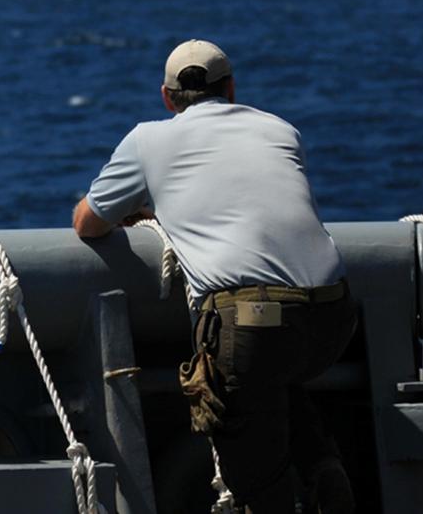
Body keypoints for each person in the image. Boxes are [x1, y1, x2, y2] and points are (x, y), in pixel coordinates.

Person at [73, 39, 357, 514]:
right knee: (278, 374)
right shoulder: (279, 129)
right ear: (230, 89)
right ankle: (321, 466)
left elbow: (88, 221)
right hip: (332, 315)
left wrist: (145, 212)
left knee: (257, 482)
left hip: (250, 324)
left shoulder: (148, 140)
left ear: (167, 97)